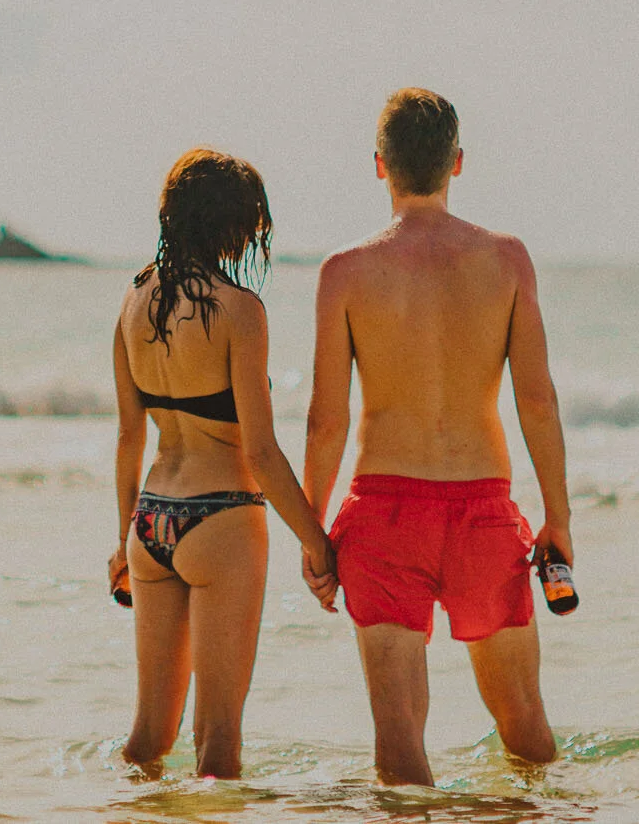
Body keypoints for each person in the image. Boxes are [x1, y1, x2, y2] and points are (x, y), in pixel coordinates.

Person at [303, 87, 569, 786]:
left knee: (398, 744)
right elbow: (536, 401)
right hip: (484, 511)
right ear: (457, 163)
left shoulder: (344, 273)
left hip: (385, 516)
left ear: (380, 166)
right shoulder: (508, 260)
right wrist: (559, 519)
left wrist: (311, 529)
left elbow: (326, 420)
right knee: (526, 729)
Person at [110, 148, 336, 779]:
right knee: (218, 742)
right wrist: (316, 540)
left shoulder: (132, 301)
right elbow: (260, 452)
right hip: (222, 519)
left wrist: (119, 540)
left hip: (149, 523)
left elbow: (130, 437)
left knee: (148, 737)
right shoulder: (240, 311)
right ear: (230, 225)